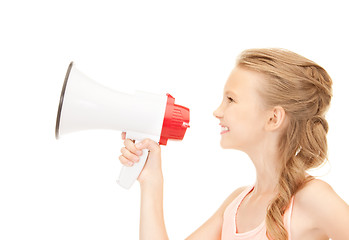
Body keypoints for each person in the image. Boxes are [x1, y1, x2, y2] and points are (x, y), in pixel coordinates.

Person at [119, 48, 349, 240]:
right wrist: (151, 180)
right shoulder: (236, 204)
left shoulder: (313, 198)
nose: (217, 111)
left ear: (273, 118)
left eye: (231, 99)